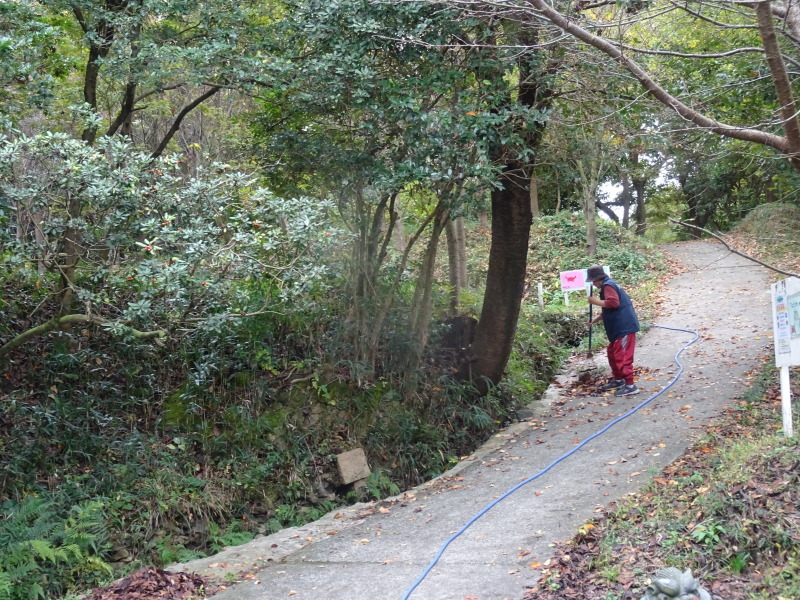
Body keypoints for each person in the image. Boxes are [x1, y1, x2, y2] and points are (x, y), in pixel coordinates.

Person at [586, 265, 640, 396]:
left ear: (598, 279)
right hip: (616, 328)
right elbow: (608, 309)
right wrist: (594, 320)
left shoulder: (608, 286)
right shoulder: (607, 286)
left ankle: (630, 385)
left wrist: (595, 301)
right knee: (612, 353)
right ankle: (618, 379)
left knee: (622, 355)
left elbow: (614, 303)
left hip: (624, 327)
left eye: (593, 281)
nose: (593, 284)